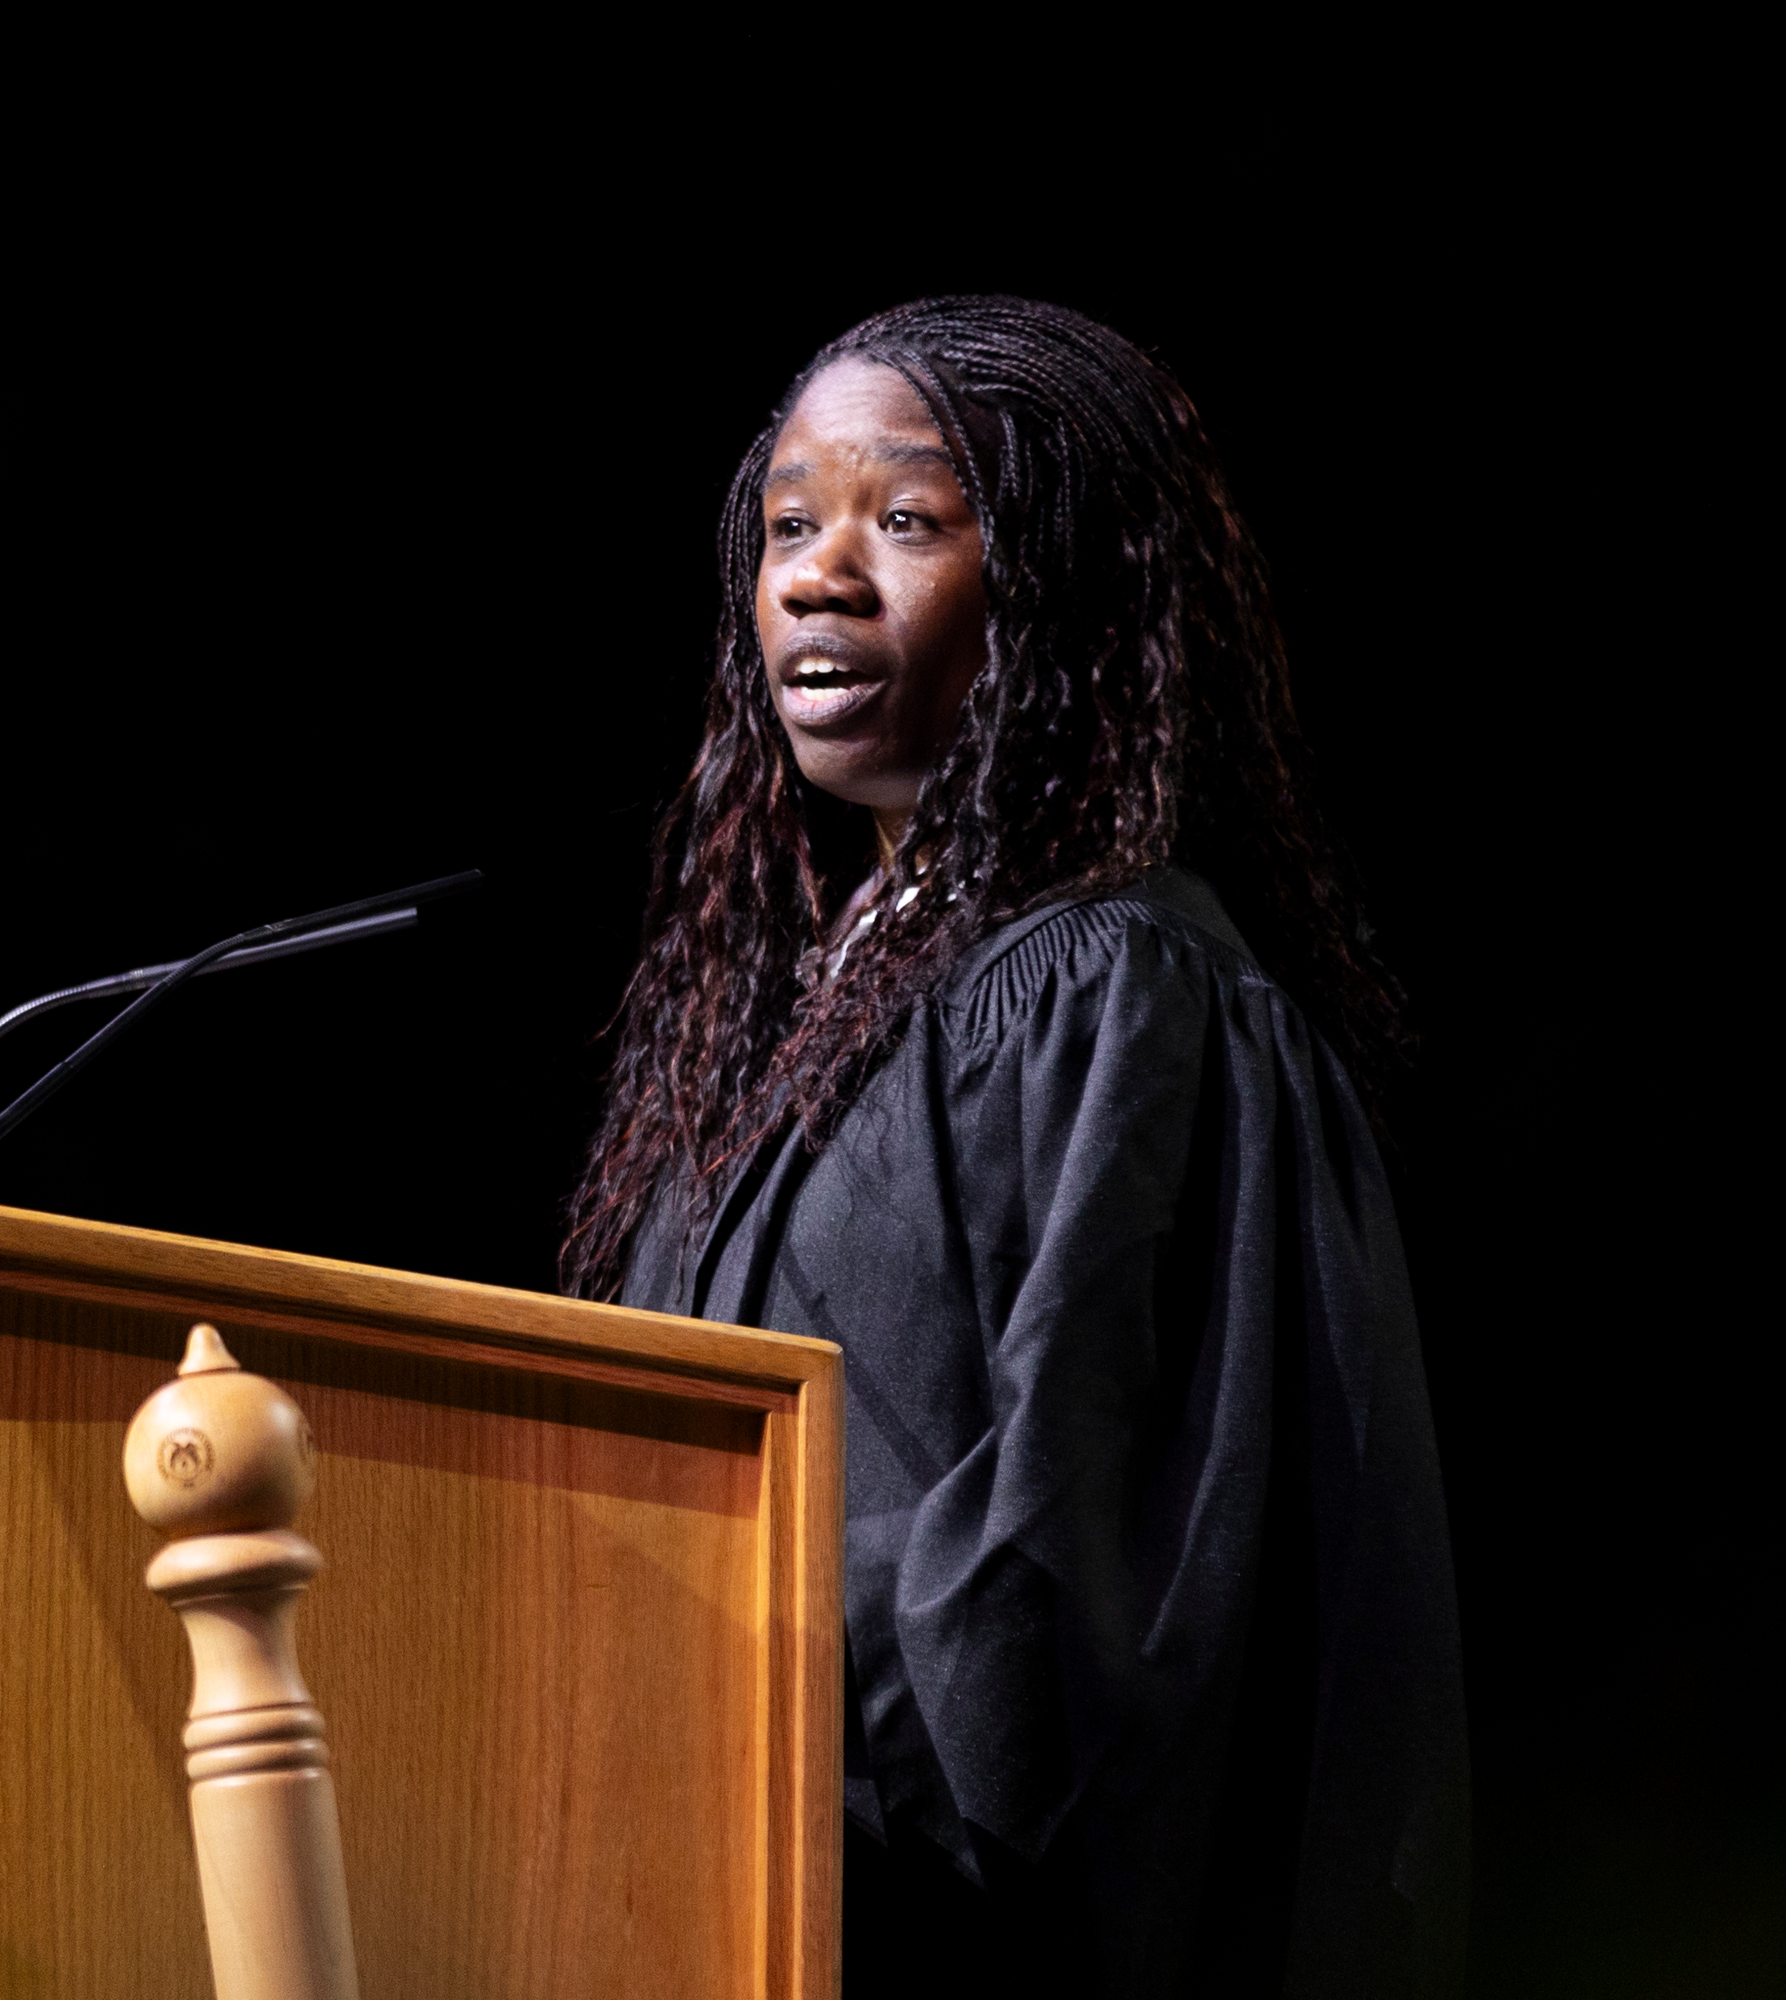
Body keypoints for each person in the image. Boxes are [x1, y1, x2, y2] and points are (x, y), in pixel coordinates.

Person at [564, 298, 1468, 1997]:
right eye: (786, 524)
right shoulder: (774, 1038)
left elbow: (1088, 1552)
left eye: (904, 520)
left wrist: (755, 1670)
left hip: (958, 1927)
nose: (818, 575)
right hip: (711, 1893)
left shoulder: (1112, 990)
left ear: (1064, 590)